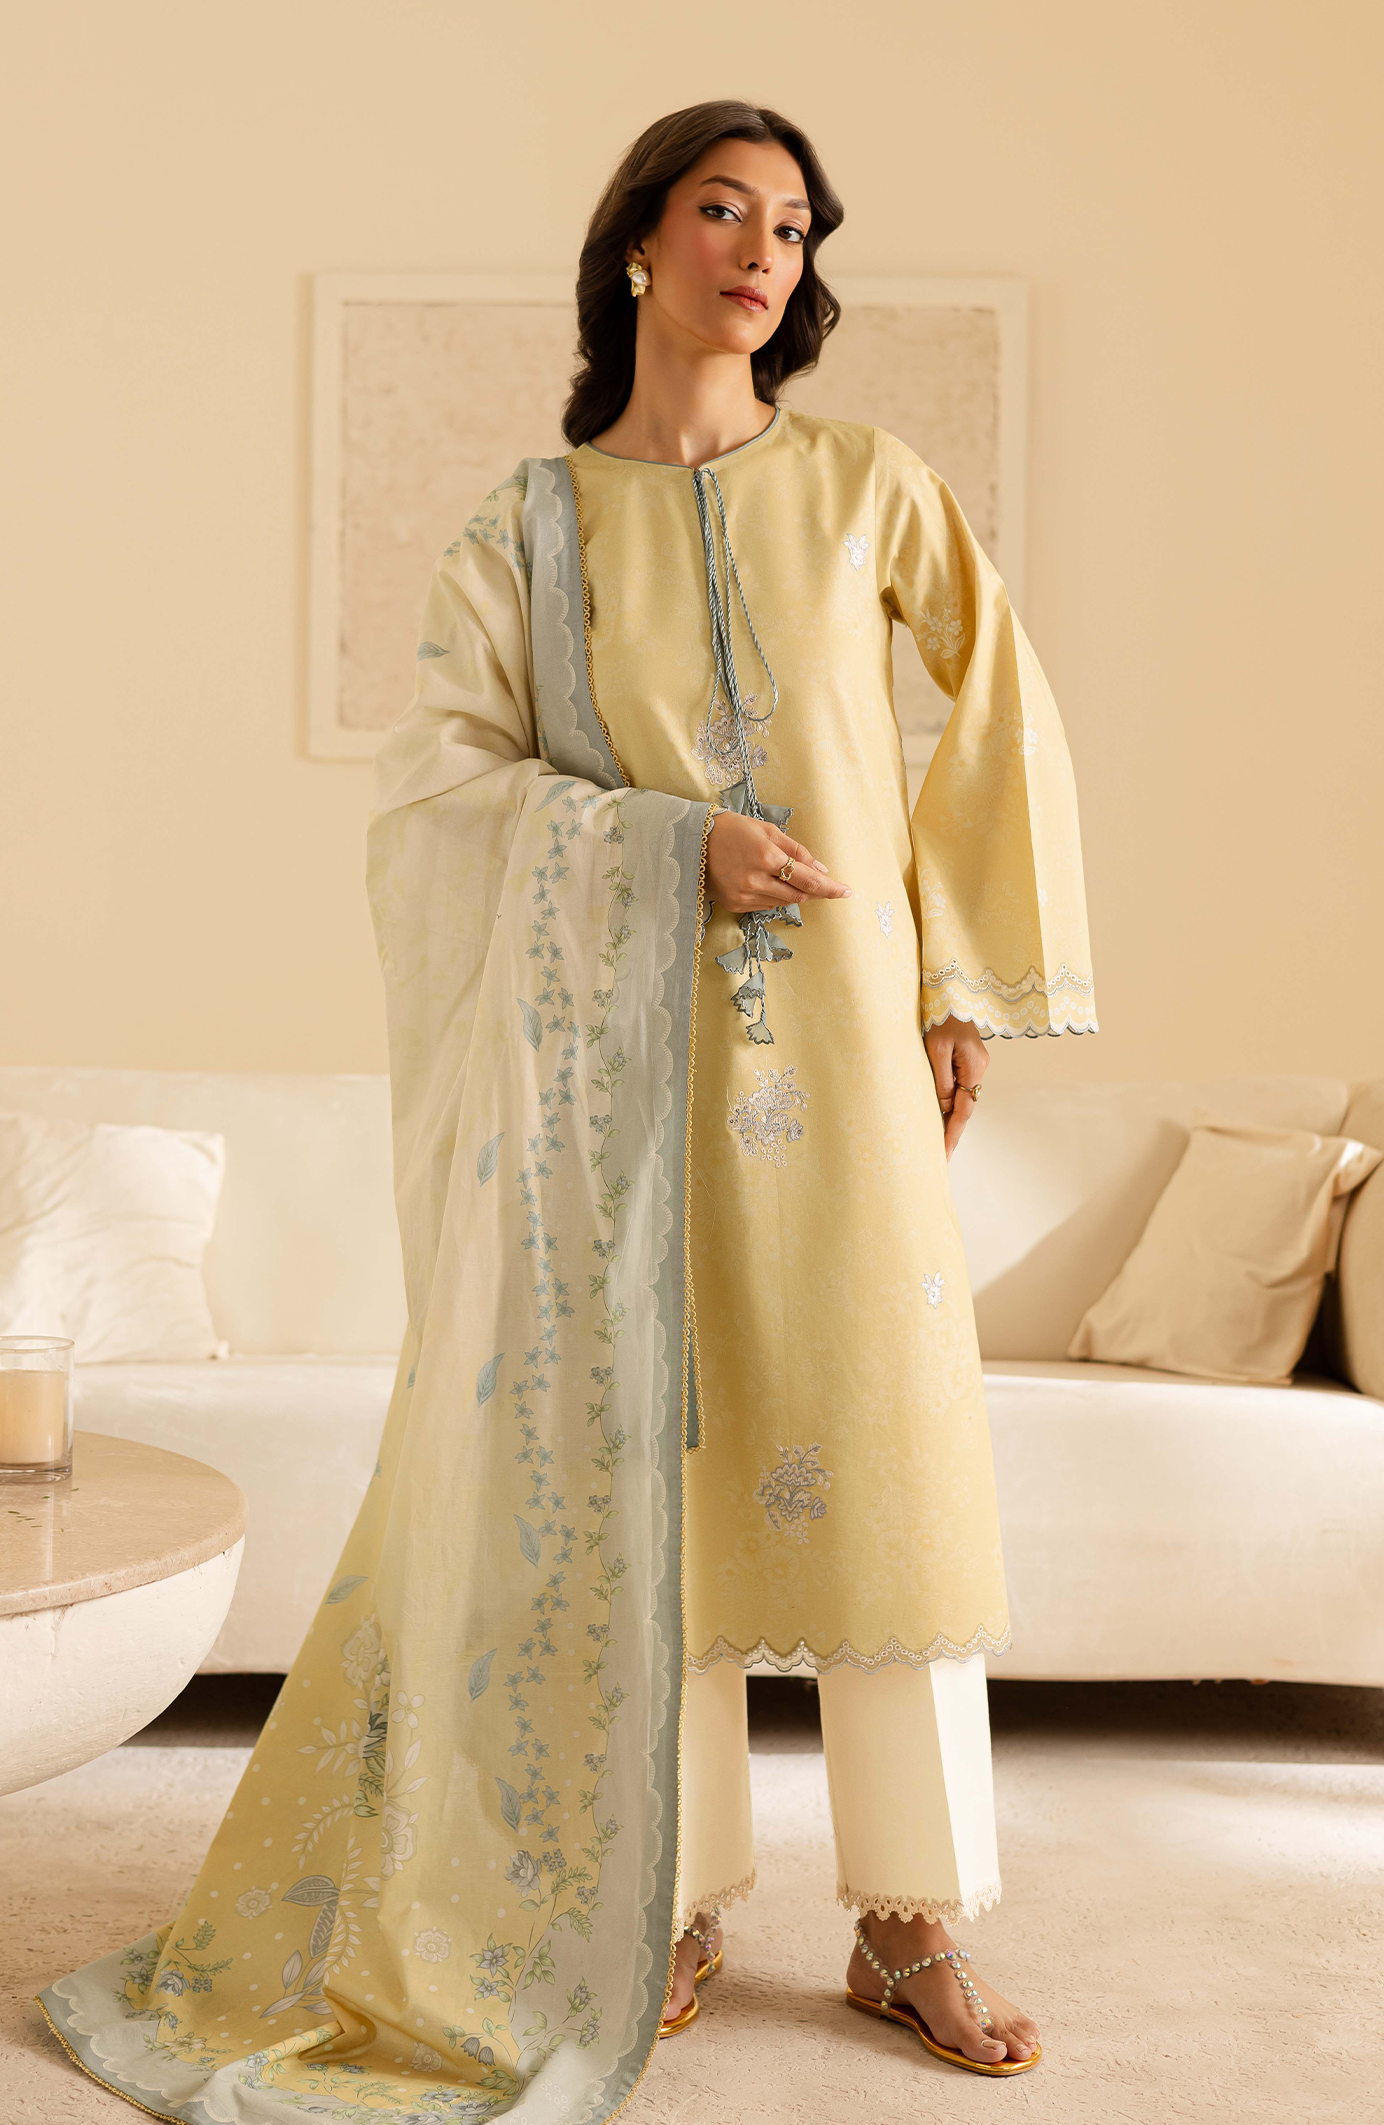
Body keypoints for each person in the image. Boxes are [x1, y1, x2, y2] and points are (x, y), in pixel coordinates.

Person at [37, 100, 1094, 2121]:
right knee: (647, 1452)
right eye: (723, 209)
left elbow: (1000, 716)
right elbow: (438, 793)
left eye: (794, 225)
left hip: (847, 1048)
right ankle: (660, 1900)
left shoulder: (866, 487)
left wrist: (961, 980)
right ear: (637, 242)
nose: (762, 250)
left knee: (884, 1454)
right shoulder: (526, 528)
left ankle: (913, 1918)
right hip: (618, 1073)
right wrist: (671, 850)